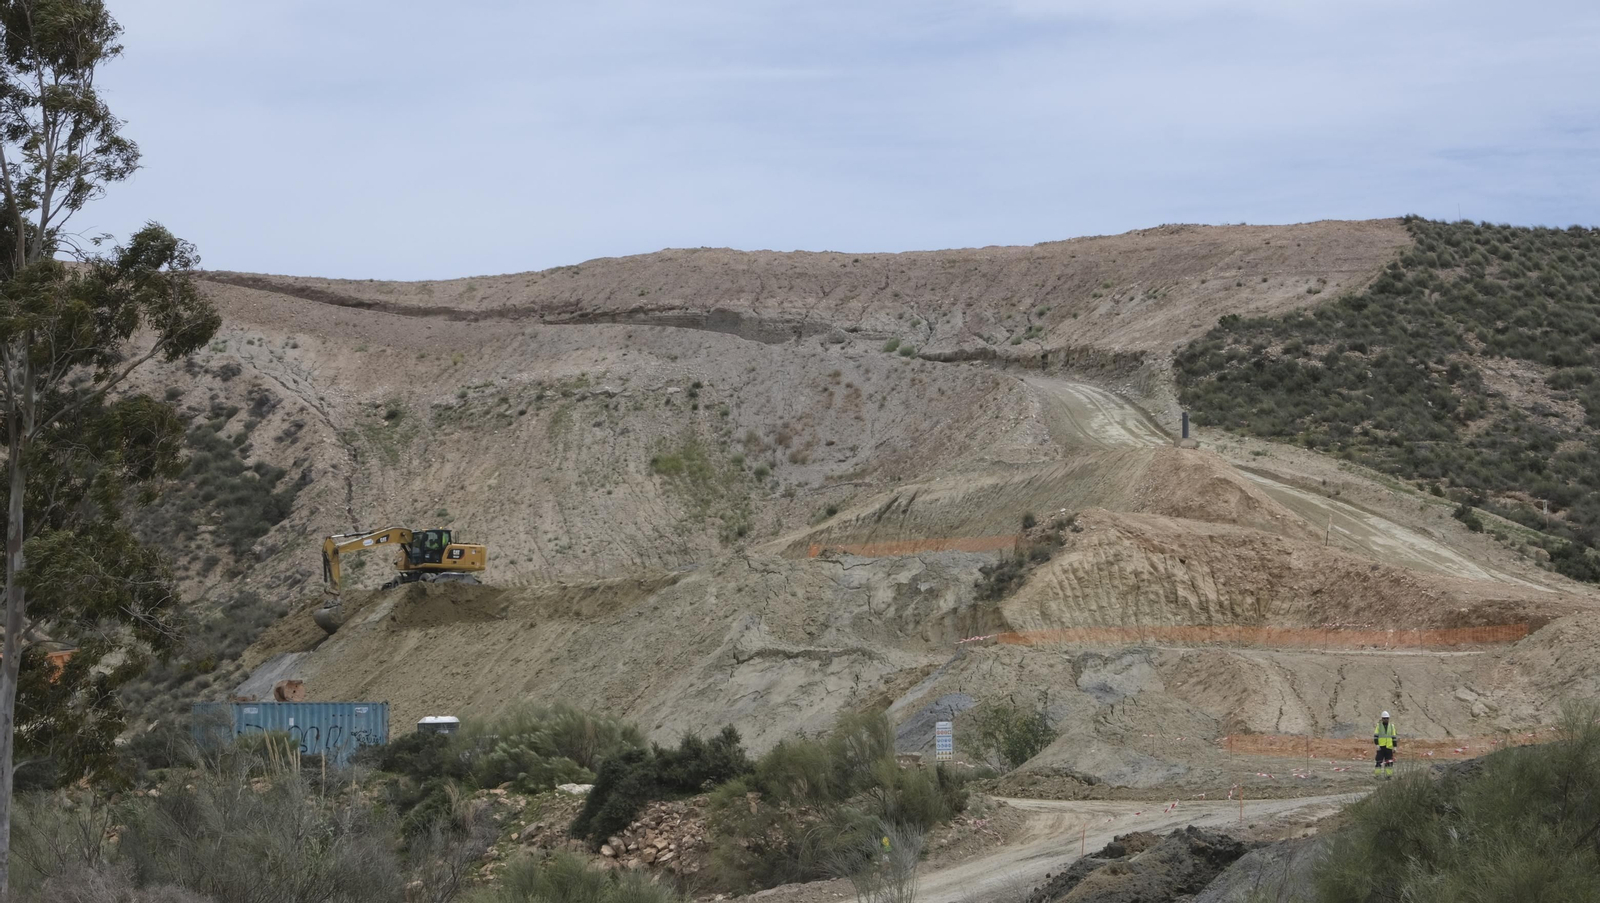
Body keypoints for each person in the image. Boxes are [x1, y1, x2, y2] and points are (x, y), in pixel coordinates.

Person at [1374, 711, 1397, 779]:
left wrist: (1395, 746)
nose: (1386, 719)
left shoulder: (1391, 726)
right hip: (1381, 747)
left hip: (1389, 747)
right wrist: (1377, 744)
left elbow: (1394, 737)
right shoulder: (1379, 726)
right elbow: (1375, 736)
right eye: (1384, 718)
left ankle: (1388, 775)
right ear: (1382, 718)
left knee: (1389, 763)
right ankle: (1377, 775)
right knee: (1378, 761)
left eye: (1387, 718)